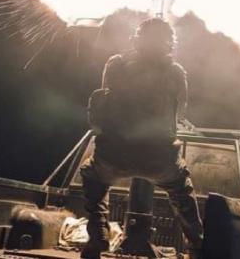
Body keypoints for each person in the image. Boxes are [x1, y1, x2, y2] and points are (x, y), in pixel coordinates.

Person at [79, 17, 203, 258]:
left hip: (113, 155)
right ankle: (197, 246)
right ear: (169, 43)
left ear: (137, 39)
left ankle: (98, 235)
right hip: (159, 160)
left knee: (90, 174)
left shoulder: (115, 63)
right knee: (182, 190)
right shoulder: (176, 72)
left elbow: (102, 103)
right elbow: (180, 113)